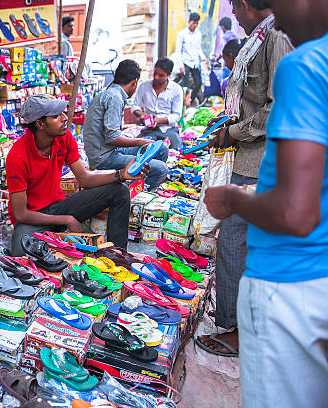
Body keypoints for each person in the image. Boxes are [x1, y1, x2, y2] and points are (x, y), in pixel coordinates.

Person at [203, 0, 328, 404]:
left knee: (232, 240)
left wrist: (234, 199)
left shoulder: (294, 56)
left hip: (287, 280)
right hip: (313, 269)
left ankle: (233, 328)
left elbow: (294, 211)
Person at [194, 0, 293, 357]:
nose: (232, 12)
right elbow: (252, 101)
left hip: (262, 162)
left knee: (235, 242)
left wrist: (235, 132)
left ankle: (237, 330)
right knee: (242, 243)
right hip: (251, 159)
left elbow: (279, 105)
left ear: (249, 4)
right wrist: (226, 122)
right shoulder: (260, 38)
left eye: (235, 5)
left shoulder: (276, 38)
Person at [6, 94, 149, 256]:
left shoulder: (64, 138)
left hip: (59, 207)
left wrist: (121, 174)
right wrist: (67, 220)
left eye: (62, 113)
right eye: (56, 116)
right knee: (19, 252)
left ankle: (118, 254)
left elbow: (84, 179)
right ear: (40, 124)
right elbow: (21, 214)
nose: (65, 118)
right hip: (33, 217)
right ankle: (56, 234)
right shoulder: (17, 157)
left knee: (120, 190)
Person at [83, 59, 169, 191]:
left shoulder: (111, 94)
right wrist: (139, 141)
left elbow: (111, 133)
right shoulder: (114, 97)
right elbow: (112, 138)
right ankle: (138, 198)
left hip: (112, 150)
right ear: (134, 82)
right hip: (104, 159)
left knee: (161, 148)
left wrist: (138, 140)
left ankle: (139, 184)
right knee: (161, 169)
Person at [131, 57, 184, 151]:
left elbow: (176, 115)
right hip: (149, 130)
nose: (156, 77)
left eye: (161, 75)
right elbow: (135, 106)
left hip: (169, 129)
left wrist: (158, 120)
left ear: (169, 75)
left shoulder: (176, 89)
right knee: (139, 150)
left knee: (176, 150)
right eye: (155, 73)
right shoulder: (144, 86)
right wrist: (142, 115)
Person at [176, 12, 206, 104]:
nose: (195, 25)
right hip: (185, 62)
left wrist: (204, 58)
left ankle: (190, 101)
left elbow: (199, 48)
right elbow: (178, 51)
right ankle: (184, 104)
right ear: (189, 21)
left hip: (195, 63)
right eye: (193, 23)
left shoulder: (198, 34)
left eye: (197, 23)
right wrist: (180, 65)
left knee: (198, 83)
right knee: (186, 86)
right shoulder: (182, 34)